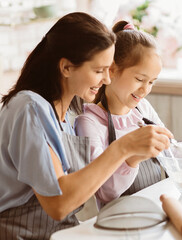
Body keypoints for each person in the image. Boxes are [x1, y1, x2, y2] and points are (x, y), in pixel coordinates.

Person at [0, 13, 172, 240]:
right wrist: (123, 148)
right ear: (66, 67)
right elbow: (58, 204)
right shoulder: (29, 109)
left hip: (64, 231)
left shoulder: (66, 111)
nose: (107, 80)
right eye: (99, 70)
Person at [74, 21, 182, 208]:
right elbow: (106, 192)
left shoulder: (142, 109)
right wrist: (132, 156)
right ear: (112, 70)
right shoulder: (89, 122)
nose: (145, 89)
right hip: (119, 223)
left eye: (152, 82)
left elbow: (171, 148)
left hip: (156, 209)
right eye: (140, 79)